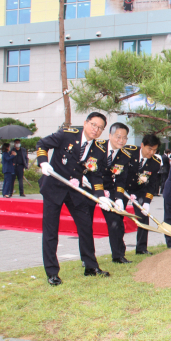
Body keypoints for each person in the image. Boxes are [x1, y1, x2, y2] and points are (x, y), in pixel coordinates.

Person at [36, 112, 111, 286]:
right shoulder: (67, 134)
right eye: (93, 125)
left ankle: (91, 267)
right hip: (54, 187)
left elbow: (96, 176)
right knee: (51, 231)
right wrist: (43, 162)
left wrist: (101, 197)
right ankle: (52, 272)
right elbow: (42, 144)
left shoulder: (98, 150)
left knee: (86, 227)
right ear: (85, 123)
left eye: (100, 128)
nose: (96, 130)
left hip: (75, 191)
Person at [99, 122, 132, 264]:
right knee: (85, 224)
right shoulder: (97, 147)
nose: (121, 141)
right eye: (118, 137)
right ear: (110, 136)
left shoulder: (125, 156)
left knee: (116, 222)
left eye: (124, 138)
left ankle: (118, 255)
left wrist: (118, 198)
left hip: (109, 190)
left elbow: (121, 179)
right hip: (89, 187)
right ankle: (86, 258)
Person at [124, 134, 161, 256]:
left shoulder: (155, 162)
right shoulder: (129, 153)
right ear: (142, 145)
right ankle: (119, 250)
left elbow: (152, 184)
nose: (151, 152)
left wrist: (146, 202)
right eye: (149, 149)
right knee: (118, 217)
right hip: (122, 188)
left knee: (143, 217)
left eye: (155, 150)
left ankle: (141, 248)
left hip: (139, 190)